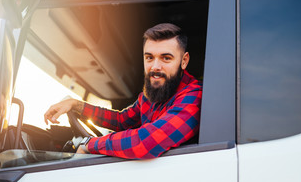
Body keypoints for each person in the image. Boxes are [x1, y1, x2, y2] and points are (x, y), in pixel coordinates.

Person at [44, 23, 202, 159]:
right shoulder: (151, 94)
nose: (155, 67)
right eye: (149, 57)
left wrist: (89, 144)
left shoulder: (194, 97)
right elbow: (121, 120)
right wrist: (77, 105)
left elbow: (146, 142)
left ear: (184, 61)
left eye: (166, 58)